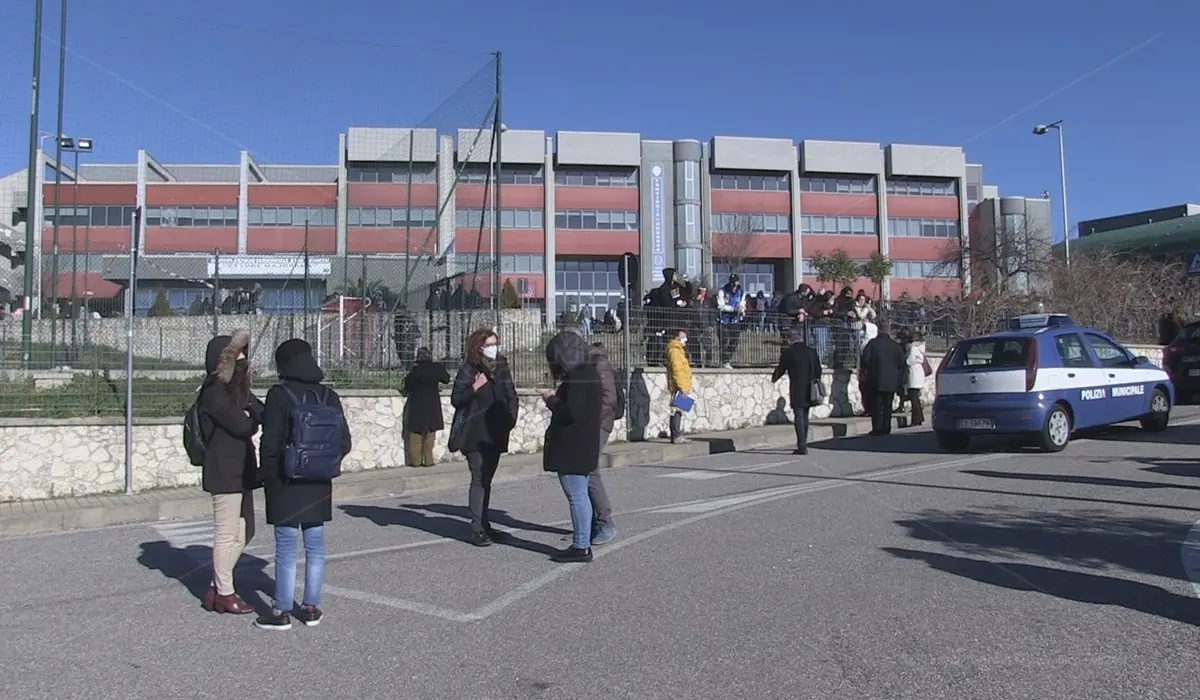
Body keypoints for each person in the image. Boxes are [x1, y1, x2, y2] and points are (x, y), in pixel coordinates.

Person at [254, 338, 353, 631]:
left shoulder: (279, 395)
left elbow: (269, 442)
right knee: (315, 546)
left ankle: (281, 610)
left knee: (286, 548)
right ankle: (311, 607)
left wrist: (266, 475)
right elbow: (344, 442)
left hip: (286, 481)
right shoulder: (328, 395)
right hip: (319, 481)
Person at [198, 328, 263, 616]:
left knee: (246, 530)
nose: (244, 359)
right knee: (226, 534)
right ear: (223, 359)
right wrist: (249, 418)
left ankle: (216, 584)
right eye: (238, 354)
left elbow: (261, 411)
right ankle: (225, 593)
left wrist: (251, 414)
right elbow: (241, 425)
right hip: (223, 472)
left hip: (243, 470)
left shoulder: (237, 390)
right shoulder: (213, 392)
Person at [448, 329, 519, 547]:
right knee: (479, 479)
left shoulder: (501, 368)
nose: (493, 348)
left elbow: (511, 395)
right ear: (478, 347)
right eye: (489, 344)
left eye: (495, 343)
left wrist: (510, 418)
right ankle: (477, 528)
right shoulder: (469, 370)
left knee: (487, 480)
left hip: (496, 432)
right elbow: (457, 399)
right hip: (474, 434)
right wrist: (474, 387)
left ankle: (485, 525)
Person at [539, 331, 603, 563]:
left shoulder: (577, 377)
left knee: (576, 497)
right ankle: (582, 542)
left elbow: (570, 412)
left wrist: (551, 400)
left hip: (573, 445)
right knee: (581, 495)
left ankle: (581, 545)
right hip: (585, 443)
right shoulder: (589, 372)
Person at [772, 328, 823, 455]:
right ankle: (804, 442)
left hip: (797, 388)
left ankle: (802, 445)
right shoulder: (812, 351)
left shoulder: (789, 353)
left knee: (799, 416)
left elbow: (781, 369)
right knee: (805, 416)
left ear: (790, 340)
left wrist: (773, 378)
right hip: (810, 388)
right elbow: (819, 371)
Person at [587, 340, 619, 545]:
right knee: (585, 471)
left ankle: (605, 522)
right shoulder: (586, 363)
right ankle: (591, 524)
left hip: (598, 424)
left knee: (590, 470)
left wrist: (591, 420)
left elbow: (608, 398)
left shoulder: (599, 363)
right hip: (591, 423)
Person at [402, 347, 451, 467]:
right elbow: (446, 379)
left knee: (416, 433)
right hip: (432, 403)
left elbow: (407, 386)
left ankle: (416, 461)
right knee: (430, 432)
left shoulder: (416, 370)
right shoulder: (436, 368)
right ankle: (429, 460)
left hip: (417, 404)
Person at [859, 322, 907, 436]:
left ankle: (877, 427)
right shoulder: (896, 346)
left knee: (876, 406)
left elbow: (865, 361)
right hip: (891, 382)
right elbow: (902, 364)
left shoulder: (872, 344)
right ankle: (886, 427)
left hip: (875, 381)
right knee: (887, 406)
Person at [664, 328, 692, 444]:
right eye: (683, 337)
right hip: (679, 386)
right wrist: (682, 387)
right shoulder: (675, 351)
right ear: (677, 338)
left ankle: (676, 434)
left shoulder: (679, 350)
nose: (685, 339)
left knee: (679, 410)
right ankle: (676, 435)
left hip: (682, 385)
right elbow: (677, 370)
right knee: (676, 410)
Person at [716, 274, 747, 368]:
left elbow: (742, 303)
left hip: (735, 320)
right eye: (732, 282)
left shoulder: (742, 292)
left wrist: (742, 308)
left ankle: (727, 359)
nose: (734, 284)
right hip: (723, 320)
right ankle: (724, 361)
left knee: (734, 341)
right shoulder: (722, 291)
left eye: (735, 282)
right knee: (724, 341)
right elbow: (720, 306)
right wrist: (733, 308)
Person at [905, 330, 928, 426]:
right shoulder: (920, 349)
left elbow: (909, 361)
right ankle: (919, 418)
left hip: (913, 375)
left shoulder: (913, 349)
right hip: (919, 374)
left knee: (914, 399)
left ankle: (916, 419)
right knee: (916, 399)